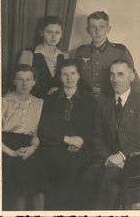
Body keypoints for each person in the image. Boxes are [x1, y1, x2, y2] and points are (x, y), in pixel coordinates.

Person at [38, 59, 96, 210]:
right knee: (55, 165)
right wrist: (66, 139)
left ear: (79, 75)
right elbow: (43, 129)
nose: (69, 78)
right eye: (64, 74)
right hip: (54, 146)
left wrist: (81, 140)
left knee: (73, 167)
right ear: (59, 76)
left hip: (81, 148)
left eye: (72, 73)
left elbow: (94, 128)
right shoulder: (50, 99)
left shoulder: (90, 100)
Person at [94, 59, 140, 209]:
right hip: (108, 159)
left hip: (136, 162)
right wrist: (109, 157)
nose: (115, 79)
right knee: (86, 178)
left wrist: (122, 155)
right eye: (112, 75)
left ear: (132, 76)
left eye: (120, 74)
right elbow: (96, 137)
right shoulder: (103, 102)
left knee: (109, 178)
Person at [75, 11, 140, 99]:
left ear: (108, 29)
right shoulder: (81, 52)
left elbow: (133, 79)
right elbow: (74, 79)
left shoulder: (120, 51)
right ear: (87, 30)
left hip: (110, 101)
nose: (98, 31)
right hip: (86, 100)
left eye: (102, 27)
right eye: (93, 27)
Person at [2, 64, 44, 210]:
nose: (24, 84)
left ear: (34, 81)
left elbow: (36, 133)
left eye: (28, 79)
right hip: (6, 147)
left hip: (29, 147)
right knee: (20, 189)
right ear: (13, 80)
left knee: (38, 189)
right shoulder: (3, 102)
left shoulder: (39, 103)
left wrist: (33, 147)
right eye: (20, 79)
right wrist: (13, 153)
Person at [19, 16, 68, 99]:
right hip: (34, 102)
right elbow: (21, 84)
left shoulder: (64, 56)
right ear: (41, 33)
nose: (54, 36)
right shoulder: (29, 54)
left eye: (57, 32)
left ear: (61, 34)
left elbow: (68, 83)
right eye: (49, 32)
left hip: (57, 103)